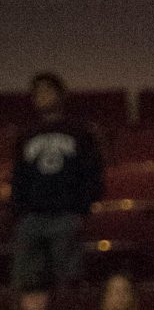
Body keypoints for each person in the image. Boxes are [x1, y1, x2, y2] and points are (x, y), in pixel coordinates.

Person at [9, 73, 102, 288]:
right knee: (26, 282)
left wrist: (81, 208)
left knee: (67, 281)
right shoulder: (26, 134)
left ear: (60, 94)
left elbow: (92, 172)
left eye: (47, 90)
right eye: (37, 92)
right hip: (31, 216)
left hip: (66, 214)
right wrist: (19, 210)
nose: (42, 96)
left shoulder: (79, 132)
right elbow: (19, 176)